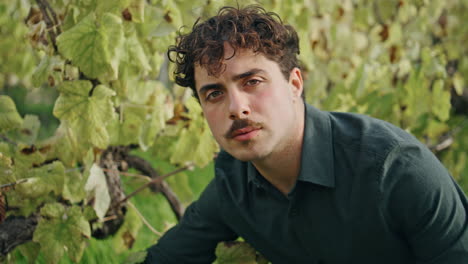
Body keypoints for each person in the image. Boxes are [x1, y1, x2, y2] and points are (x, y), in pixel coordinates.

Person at [143, 5, 468, 263]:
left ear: (294, 84)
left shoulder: (397, 172)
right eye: (214, 93)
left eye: (252, 82)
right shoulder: (232, 187)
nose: (236, 108)